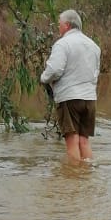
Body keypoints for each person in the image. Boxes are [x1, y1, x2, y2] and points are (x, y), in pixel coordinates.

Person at [40, 9, 101, 162]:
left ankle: (72, 180)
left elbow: (54, 70)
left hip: (69, 98)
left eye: (59, 24)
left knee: (72, 141)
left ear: (67, 25)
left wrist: (43, 78)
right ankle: (86, 176)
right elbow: (96, 73)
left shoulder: (63, 44)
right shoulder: (94, 46)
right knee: (84, 140)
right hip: (89, 99)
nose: (58, 27)